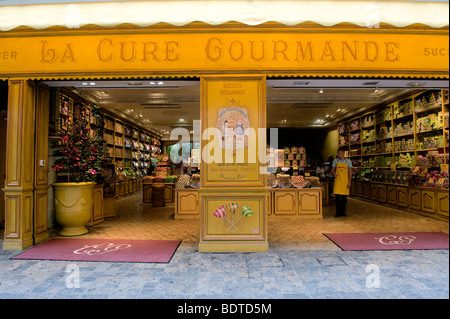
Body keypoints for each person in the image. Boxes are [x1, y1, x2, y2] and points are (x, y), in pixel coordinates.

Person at [331, 147, 352, 217]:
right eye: (338, 153)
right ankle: (338, 212)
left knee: (344, 198)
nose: (338, 155)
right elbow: (332, 170)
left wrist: (349, 182)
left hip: (345, 181)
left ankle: (343, 211)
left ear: (343, 153)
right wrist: (334, 173)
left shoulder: (348, 161)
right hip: (338, 181)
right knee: (337, 198)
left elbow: (350, 172)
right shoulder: (335, 161)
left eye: (339, 153)